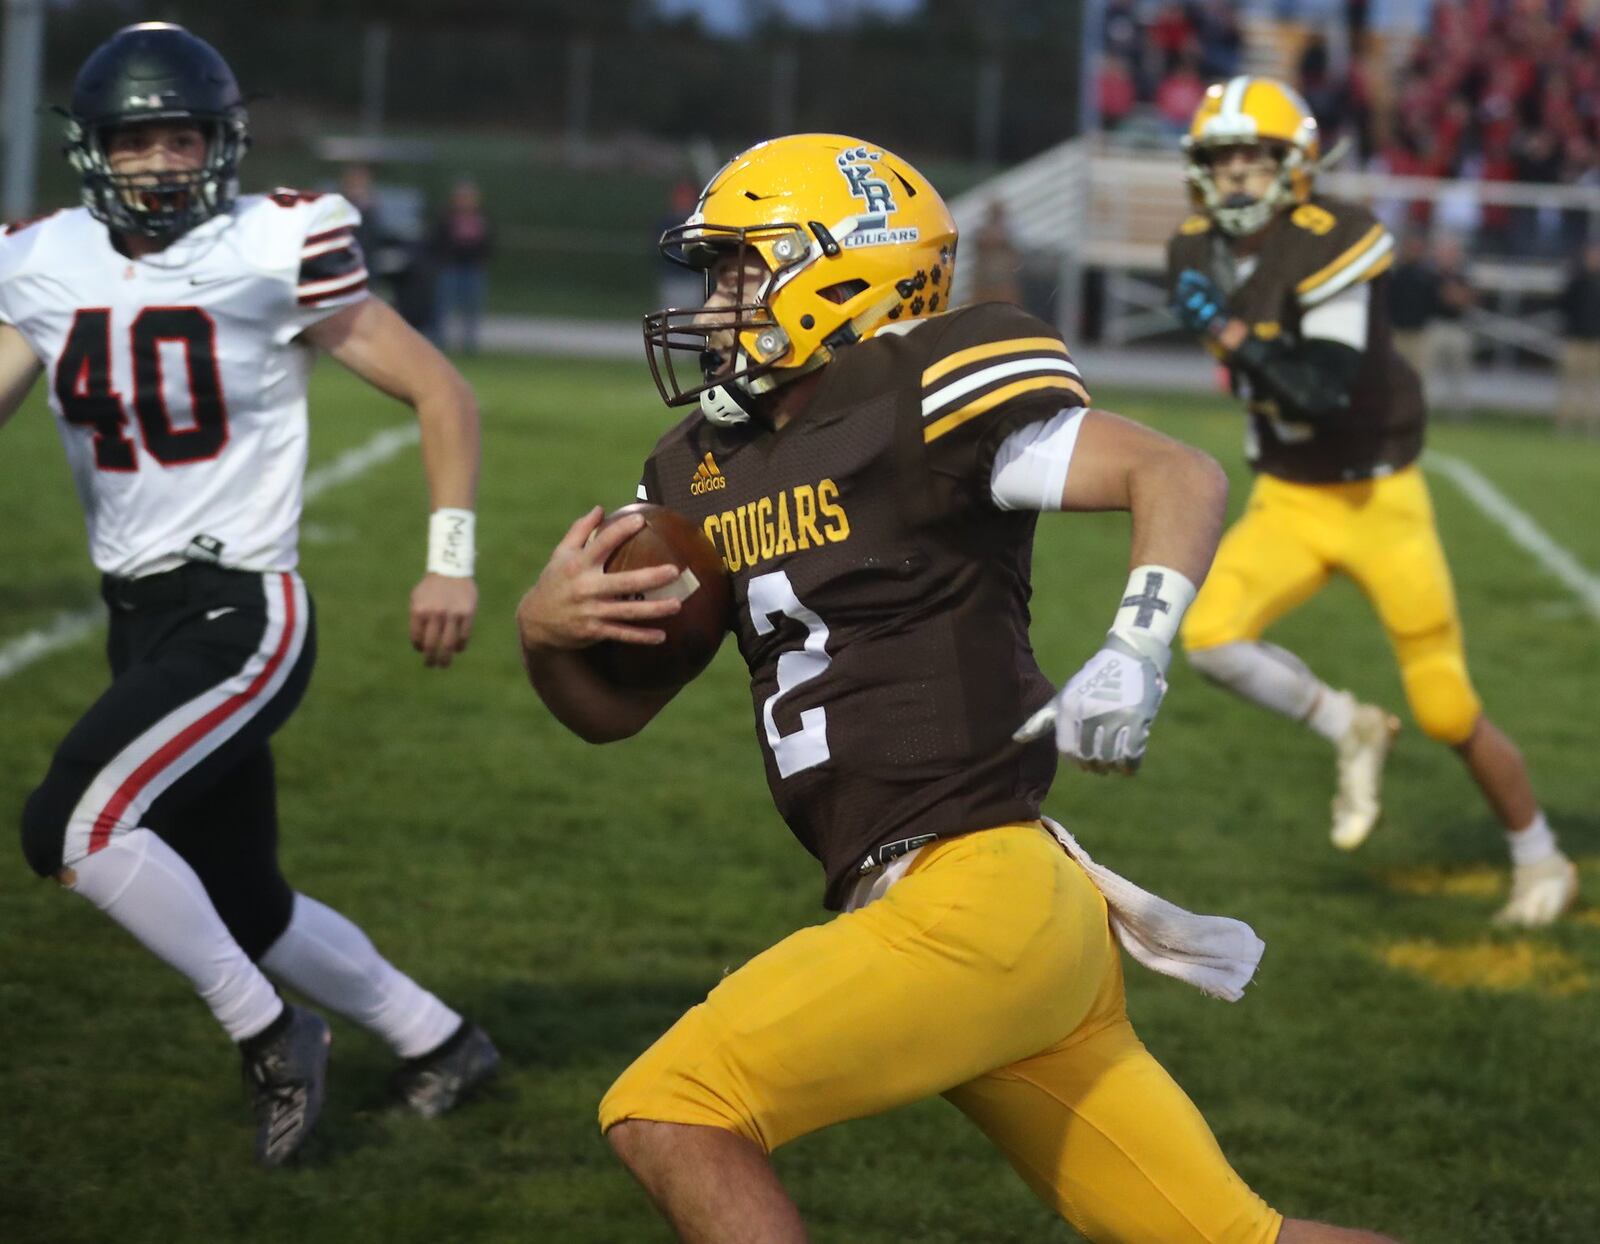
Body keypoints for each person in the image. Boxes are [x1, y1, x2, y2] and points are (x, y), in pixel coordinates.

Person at [517, 132, 1398, 1244]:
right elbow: (615, 713)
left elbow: (1174, 470)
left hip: (972, 896)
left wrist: (1135, 644)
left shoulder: (921, 389)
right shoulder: (701, 465)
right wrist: (545, 636)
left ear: (844, 269)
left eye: (744, 267)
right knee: (1236, 1237)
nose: (717, 299)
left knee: (670, 1108)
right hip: (995, 912)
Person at [0, 23, 499, 1167]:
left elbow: (441, 391)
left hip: (242, 609)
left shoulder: (277, 241)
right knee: (241, 893)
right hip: (139, 616)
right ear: (96, 150)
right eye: (140, 140)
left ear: (221, 143)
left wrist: (451, 556)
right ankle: (441, 1040)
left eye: (185, 138)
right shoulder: (39, 259)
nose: (166, 162)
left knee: (70, 820)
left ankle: (272, 1031)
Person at [1166, 76, 1576, 926]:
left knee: (1445, 706)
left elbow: (1320, 388)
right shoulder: (1191, 249)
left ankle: (1542, 857)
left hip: (1379, 497)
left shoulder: (1337, 238)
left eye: (1257, 155)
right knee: (1208, 637)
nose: (1238, 173)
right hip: (1288, 496)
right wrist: (1232, 333)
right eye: (1222, 156)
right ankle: (1347, 723)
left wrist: (1233, 333)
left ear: (1298, 163)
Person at [433, 178, 494, 354]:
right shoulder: (447, 217)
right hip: (450, 266)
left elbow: (489, 242)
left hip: (473, 268)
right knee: (444, 306)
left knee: (472, 308)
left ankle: (469, 344)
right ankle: (440, 341)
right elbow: (437, 239)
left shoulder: (482, 219)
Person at [1556, 240, 1600, 435]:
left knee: (1592, 386)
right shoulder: (1576, 281)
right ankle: (1565, 425)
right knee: (1569, 385)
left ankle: (1591, 427)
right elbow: (1563, 305)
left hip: (1595, 341)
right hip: (1575, 340)